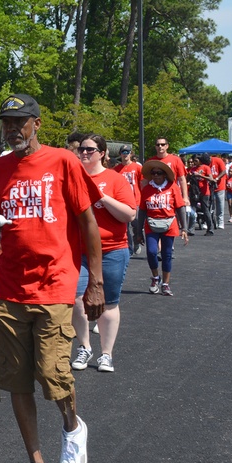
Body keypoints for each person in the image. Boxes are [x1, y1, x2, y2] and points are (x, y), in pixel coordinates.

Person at [0, 94, 102, 463]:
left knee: (52, 372)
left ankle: (73, 427)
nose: (11, 130)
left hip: (55, 283)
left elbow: (89, 223)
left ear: (36, 123)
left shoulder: (63, 161)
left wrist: (95, 282)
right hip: (10, 288)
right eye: (6, 124)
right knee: (16, 379)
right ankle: (36, 461)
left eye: (19, 122)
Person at [68, 134, 136, 373]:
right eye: (81, 149)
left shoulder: (114, 179)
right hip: (80, 250)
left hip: (112, 250)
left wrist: (101, 196)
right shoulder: (72, 178)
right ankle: (84, 347)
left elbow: (129, 215)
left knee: (108, 302)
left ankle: (106, 354)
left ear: (103, 153)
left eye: (90, 149)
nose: (84, 153)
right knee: (76, 297)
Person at [140, 159, 189, 296]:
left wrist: (184, 228)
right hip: (151, 223)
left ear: (165, 175)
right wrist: (138, 232)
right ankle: (155, 277)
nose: (156, 175)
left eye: (159, 173)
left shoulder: (172, 187)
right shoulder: (147, 189)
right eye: (153, 173)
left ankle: (166, 284)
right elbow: (142, 210)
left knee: (167, 254)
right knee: (151, 252)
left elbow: (180, 208)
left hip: (169, 224)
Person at [113, 146, 143, 252]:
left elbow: (142, 184)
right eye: (123, 152)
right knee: (124, 227)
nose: (125, 154)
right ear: (120, 154)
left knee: (136, 225)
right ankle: (129, 247)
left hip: (136, 200)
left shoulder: (137, 168)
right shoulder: (116, 170)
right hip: (121, 202)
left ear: (131, 154)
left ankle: (137, 242)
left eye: (127, 152)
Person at [148, 137, 190, 209]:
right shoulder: (151, 161)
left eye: (162, 144)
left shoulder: (175, 159)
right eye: (158, 145)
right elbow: (146, 180)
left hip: (172, 194)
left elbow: (182, 180)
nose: (160, 146)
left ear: (167, 146)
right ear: (155, 147)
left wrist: (185, 197)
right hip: (155, 196)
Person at [208, 154, 227, 229]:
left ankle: (220, 222)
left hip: (219, 186)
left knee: (220, 204)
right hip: (209, 187)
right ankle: (208, 221)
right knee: (209, 205)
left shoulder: (218, 160)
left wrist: (217, 178)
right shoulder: (204, 163)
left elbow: (224, 171)